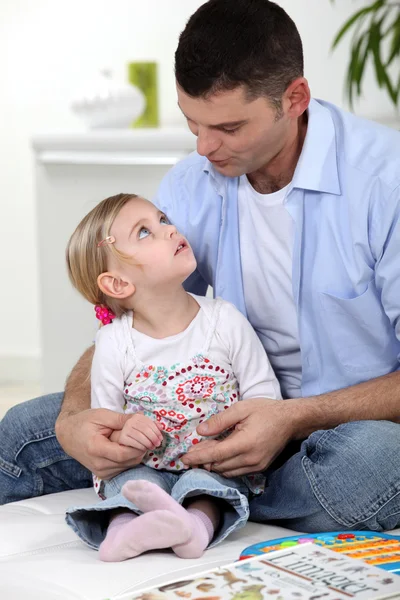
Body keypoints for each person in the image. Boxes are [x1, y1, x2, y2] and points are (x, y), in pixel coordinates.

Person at [1, 0, 399, 533]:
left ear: (294, 99)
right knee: (25, 428)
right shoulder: (193, 181)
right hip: (202, 413)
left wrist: (289, 418)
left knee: (377, 462)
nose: (204, 147)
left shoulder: (384, 182)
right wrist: (77, 418)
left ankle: (187, 496)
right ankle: (200, 494)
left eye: (229, 127)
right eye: (194, 124)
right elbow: (138, 318)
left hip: (336, 424)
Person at [64, 192, 281, 561]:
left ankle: (193, 527)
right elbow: (106, 418)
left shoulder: (223, 320)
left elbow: (263, 392)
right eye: (145, 232)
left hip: (212, 461)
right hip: (144, 463)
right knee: (132, 485)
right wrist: (126, 432)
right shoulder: (115, 341)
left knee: (207, 487)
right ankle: (124, 530)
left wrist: (247, 435)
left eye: (162, 219)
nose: (169, 230)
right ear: (118, 284)